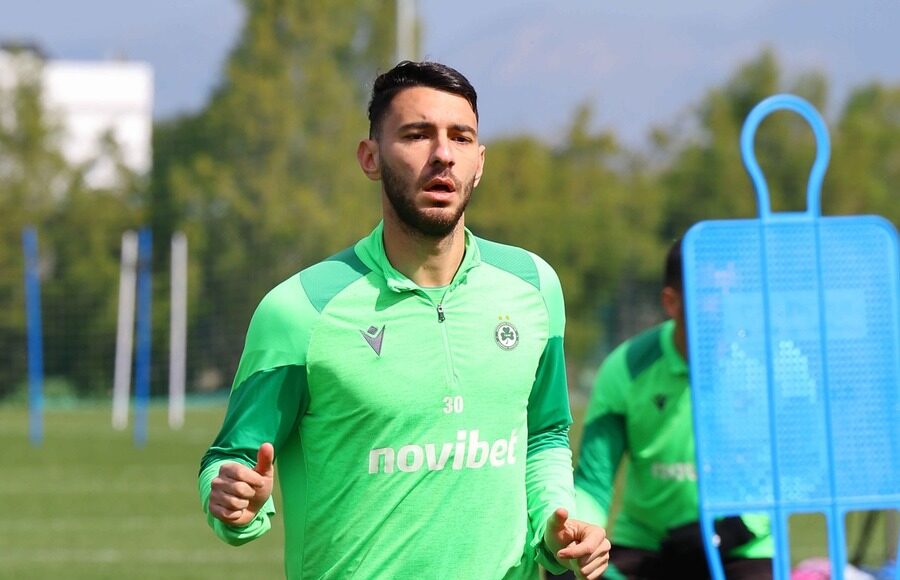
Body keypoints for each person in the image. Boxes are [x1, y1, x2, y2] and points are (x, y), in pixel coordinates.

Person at [198, 60, 611, 579]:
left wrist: (557, 524)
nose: (443, 154)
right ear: (370, 158)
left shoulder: (534, 286)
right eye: (417, 135)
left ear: (479, 162)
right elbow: (231, 459)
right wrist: (234, 500)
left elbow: (544, 435)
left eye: (460, 138)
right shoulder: (300, 309)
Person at [550, 238, 773, 580]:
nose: (726, 306)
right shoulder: (627, 367)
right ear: (672, 302)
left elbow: (802, 467)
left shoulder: (768, 365)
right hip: (647, 546)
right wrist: (578, 537)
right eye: (711, 294)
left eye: (734, 292)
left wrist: (735, 528)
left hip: (742, 548)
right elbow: (595, 482)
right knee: (564, 573)